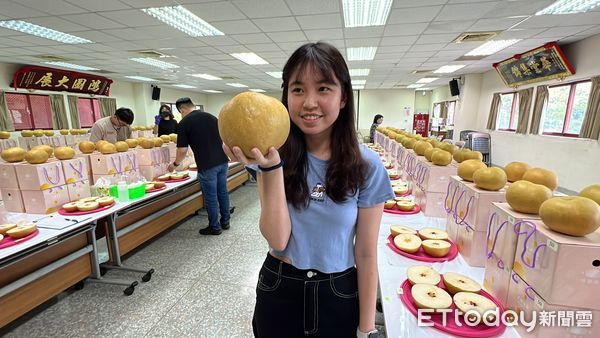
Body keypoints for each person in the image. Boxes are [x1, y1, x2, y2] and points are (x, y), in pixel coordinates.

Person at [223, 42, 393, 338]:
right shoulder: (269, 154)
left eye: (324, 88)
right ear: (286, 95)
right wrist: (271, 168)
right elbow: (277, 238)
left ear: (343, 98)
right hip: (279, 286)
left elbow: (365, 253)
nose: (309, 102)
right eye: (298, 89)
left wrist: (367, 329)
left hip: (338, 291)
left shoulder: (367, 165)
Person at [167, 97, 230, 236]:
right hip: (223, 161)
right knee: (223, 192)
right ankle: (225, 221)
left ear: (182, 109)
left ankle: (214, 227)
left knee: (211, 197)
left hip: (207, 165)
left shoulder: (184, 123)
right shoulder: (212, 117)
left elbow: (182, 150)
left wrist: (175, 164)